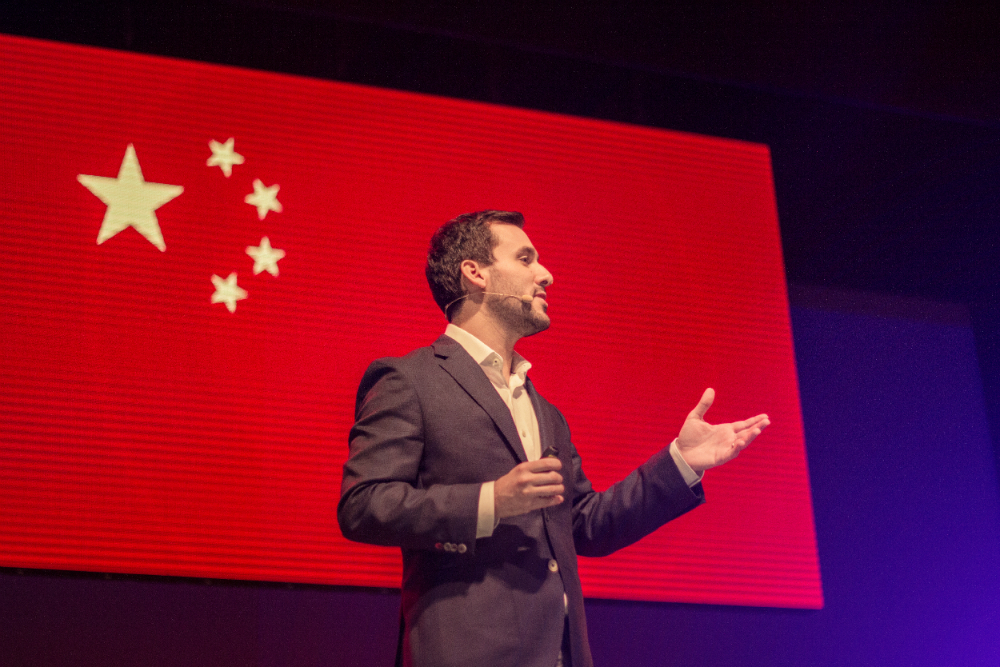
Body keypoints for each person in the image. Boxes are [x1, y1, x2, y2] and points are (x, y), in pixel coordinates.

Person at [338, 210, 769, 667]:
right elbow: (363, 505)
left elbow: (585, 525)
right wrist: (490, 501)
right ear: (475, 272)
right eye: (525, 259)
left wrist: (681, 461)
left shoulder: (546, 412)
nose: (546, 274)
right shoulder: (410, 379)